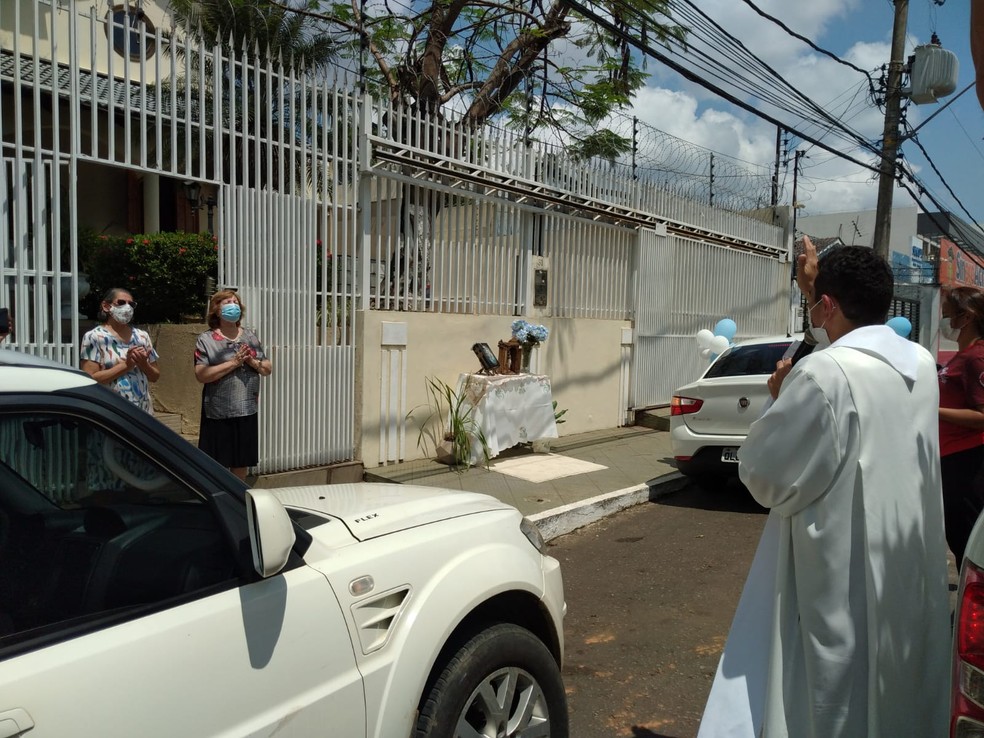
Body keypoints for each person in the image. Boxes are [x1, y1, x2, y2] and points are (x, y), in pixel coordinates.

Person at [698, 239, 950, 737]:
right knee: (903, 692)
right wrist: (813, 283)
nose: (812, 312)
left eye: (814, 302)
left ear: (828, 305)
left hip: (840, 577)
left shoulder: (823, 374)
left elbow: (766, 477)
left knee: (830, 698)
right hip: (908, 568)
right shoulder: (920, 364)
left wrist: (779, 398)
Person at [194, 290, 272, 481]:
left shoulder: (250, 337)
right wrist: (234, 363)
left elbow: (267, 368)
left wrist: (252, 362)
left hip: (246, 408)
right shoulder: (206, 339)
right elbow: (201, 374)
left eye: (235, 302)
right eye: (227, 302)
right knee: (216, 462)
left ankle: (237, 498)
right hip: (218, 411)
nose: (233, 304)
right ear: (217, 310)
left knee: (240, 461)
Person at [937, 286, 984, 565]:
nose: (947, 323)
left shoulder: (975, 358)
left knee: (966, 542)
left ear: (966, 318)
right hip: (952, 458)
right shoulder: (963, 355)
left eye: (948, 316)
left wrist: (933, 410)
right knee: (958, 539)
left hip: (968, 461)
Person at [80, 288, 160, 413]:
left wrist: (144, 364)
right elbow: (91, 378)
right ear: (106, 306)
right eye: (121, 302)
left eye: (131, 304)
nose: (127, 307)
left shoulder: (142, 336)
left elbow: (155, 376)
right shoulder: (94, 337)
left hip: (142, 413)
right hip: (110, 412)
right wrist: (126, 365)